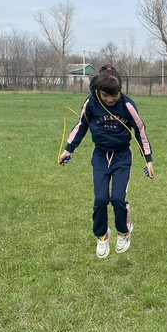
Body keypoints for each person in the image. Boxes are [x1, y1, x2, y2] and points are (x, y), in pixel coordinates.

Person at [59, 72, 154, 258]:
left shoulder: (127, 105)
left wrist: (148, 160)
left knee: (118, 198)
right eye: (105, 96)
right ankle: (102, 235)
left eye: (114, 95)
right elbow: (81, 126)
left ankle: (124, 232)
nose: (110, 99)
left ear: (120, 91)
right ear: (98, 92)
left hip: (122, 157)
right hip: (100, 156)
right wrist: (68, 149)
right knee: (100, 199)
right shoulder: (91, 103)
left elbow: (140, 131)